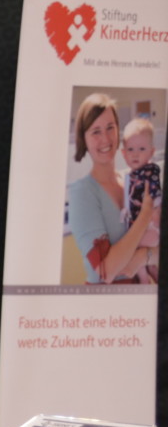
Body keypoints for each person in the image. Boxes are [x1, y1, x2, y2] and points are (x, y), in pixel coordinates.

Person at [66, 94, 159, 284]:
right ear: (84, 139)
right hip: (107, 299)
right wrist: (145, 215)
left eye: (110, 127)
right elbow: (106, 272)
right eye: (96, 131)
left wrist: (143, 257)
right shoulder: (81, 193)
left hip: (142, 294)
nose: (106, 138)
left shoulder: (133, 181)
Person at [122, 117, 161, 285]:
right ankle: (153, 276)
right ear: (124, 153)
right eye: (130, 149)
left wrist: (155, 214)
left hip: (151, 228)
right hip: (145, 229)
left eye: (142, 149)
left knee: (131, 248)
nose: (135, 154)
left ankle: (144, 282)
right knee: (149, 264)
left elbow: (156, 196)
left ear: (151, 152)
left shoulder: (150, 172)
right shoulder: (131, 175)